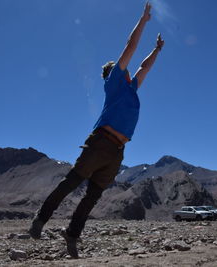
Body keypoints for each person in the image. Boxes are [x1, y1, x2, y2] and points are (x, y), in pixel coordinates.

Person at [29, 2, 164, 259]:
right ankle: (40, 220)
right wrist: (144, 20)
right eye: (121, 67)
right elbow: (130, 47)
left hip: (117, 151)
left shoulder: (131, 88)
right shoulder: (114, 80)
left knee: (92, 197)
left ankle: (72, 235)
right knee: (71, 183)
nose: (125, 69)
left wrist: (157, 50)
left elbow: (143, 67)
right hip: (101, 142)